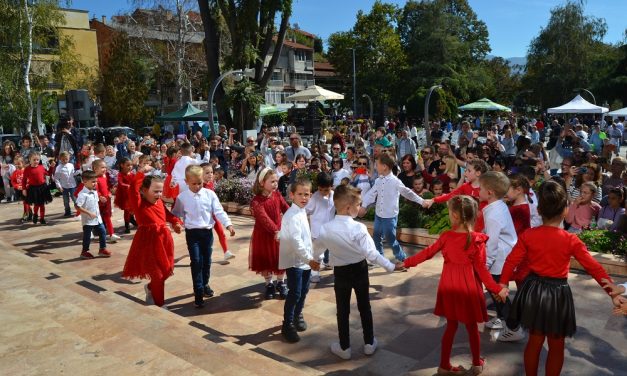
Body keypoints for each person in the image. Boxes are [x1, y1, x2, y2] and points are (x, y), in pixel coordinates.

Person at [499, 180, 614, 376]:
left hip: (533, 290)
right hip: (557, 295)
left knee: (534, 342)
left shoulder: (529, 235)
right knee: (556, 345)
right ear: (564, 211)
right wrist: (612, 292)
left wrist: (502, 284)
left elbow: (511, 261)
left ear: (540, 211)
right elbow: (594, 267)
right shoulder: (571, 240)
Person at [401, 195, 507, 375]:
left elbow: (427, 253)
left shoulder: (447, 236)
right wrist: (497, 289)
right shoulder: (477, 240)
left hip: (449, 286)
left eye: (450, 213)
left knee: (451, 326)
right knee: (472, 327)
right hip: (468, 289)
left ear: (455, 216)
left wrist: (407, 262)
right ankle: (476, 364)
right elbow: (482, 271)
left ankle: (443, 366)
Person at [317, 184, 404, 360]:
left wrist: (309, 261)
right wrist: (391, 266)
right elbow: (372, 254)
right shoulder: (359, 228)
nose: (360, 208)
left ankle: (344, 347)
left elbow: (315, 249)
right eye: (358, 205)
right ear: (348, 208)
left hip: (340, 273)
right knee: (365, 307)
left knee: (342, 310)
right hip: (360, 270)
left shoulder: (326, 228)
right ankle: (369, 343)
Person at [173, 165, 235, 308]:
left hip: (207, 233)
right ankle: (198, 292)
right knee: (196, 261)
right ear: (186, 181)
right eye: (193, 183)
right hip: (192, 233)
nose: (197, 186)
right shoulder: (182, 197)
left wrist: (228, 224)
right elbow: (176, 214)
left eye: (199, 183)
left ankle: (205, 283)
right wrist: (176, 223)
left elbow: (219, 211)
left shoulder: (210, 194)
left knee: (206, 261)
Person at [122, 168, 183, 308]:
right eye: (155, 191)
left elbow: (169, 216)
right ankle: (159, 303)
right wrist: (140, 172)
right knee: (157, 274)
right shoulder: (139, 204)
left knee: (167, 270)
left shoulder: (160, 202)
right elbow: (132, 189)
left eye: (161, 191)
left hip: (164, 241)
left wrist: (176, 223)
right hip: (148, 242)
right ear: (143, 191)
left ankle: (150, 288)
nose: (159, 194)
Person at [359, 154, 425, 261]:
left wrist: (421, 201)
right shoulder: (378, 180)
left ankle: (402, 257)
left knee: (390, 238)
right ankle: (379, 256)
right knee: (376, 236)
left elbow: (408, 193)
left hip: (390, 216)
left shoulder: (395, 181)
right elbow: (371, 194)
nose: (375, 167)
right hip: (379, 214)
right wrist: (363, 206)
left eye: (377, 165)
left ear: (384, 166)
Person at [278, 178, 317, 343]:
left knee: (304, 290)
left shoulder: (302, 211)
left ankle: (297, 315)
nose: (304, 197)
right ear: (292, 195)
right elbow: (296, 242)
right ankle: (287, 324)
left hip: (305, 261)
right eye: (300, 194)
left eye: (306, 194)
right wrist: (309, 259)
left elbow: (305, 238)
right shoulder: (292, 215)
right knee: (295, 293)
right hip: (295, 262)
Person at [477, 171, 517, 333]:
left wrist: (484, 266)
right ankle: (501, 319)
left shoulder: (494, 214)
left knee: (498, 293)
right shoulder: (497, 207)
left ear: (489, 192)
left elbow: (492, 244)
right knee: (496, 292)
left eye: (480, 188)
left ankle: (513, 327)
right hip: (502, 258)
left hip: (499, 261)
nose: (478, 191)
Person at [249, 167, 290, 299]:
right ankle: (269, 283)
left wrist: (294, 215)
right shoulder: (256, 201)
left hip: (278, 233)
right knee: (266, 260)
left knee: (281, 258)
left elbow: (286, 208)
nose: (275, 184)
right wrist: (276, 231)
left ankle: (281, 282)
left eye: (276, 181)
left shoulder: (277, 195)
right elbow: (263, 218)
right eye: (272, 181)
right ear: (262, 183)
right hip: (264, 235)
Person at [424, 159, 490, 231]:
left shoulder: (486, 189)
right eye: (466, 170)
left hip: (482, 227)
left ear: (478, 173)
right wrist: (434, 199)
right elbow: (451, 195)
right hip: (467, 225)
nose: (465, 173)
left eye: (469, 171)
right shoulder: (465, 186)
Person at [200, 163, 235, 261]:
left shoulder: (211, 183)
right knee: (205, 237)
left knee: (221, 232)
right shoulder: (199, 186)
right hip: (204, 216)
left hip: (214, 214)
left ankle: (226, 251)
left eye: (211, 172)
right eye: (207, 173)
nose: (210, 174)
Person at [305, 172, 335, 283]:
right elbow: (306, 211)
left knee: (334, 252)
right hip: (317, 233)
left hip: (331, 232)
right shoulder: (314, 198)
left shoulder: (334, 196)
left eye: (326, 190)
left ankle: (337, 271)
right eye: (320, 189)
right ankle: (314, 273)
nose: (322, 192)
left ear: (331, 186)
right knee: (316, 254)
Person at [76, 170, 110, 259]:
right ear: (85, 182)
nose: (95, 184)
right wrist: (89, 213)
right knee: (87, 237)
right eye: (93, 182)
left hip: (98, 219)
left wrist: (100, 198)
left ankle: (102, 249)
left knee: (103, 232)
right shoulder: (82, 194)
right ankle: (84, 251)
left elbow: (95, 202)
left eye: (96, 181)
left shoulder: (94, 191)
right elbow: (77, 207)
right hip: (88, 221)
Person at [22, 152, 53, 225]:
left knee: (42, 205)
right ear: (30, 160)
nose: (36, 161)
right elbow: (24, 180)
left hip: (42, 188)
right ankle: (35, 215)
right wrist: (24, 189)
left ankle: (42, 218)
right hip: (33, 189)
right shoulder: (27, 169)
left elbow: (48, 173)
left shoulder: (41, 167)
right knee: (36, 204)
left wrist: (51, 167)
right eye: (34, 160)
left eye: (37, 160)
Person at [114, 157, 135, 233]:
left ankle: (131, 219)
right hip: (124, 195)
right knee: (127, 210)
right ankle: (127, 225)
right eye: (128, 165)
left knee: (132, 208)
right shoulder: (120, 174)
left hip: (131, 194)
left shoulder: (132, 174)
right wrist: (128, 186)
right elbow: (120, 183)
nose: (130, 167)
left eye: (131, 165)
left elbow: (135, 182)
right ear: (122, 165)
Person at [54, 151, 78, 217]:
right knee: (66, 200)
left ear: (69, 158)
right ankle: (67, 211)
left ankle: (79, 210)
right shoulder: (58, 168)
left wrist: (79, 172)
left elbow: (73, 173)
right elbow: (56, 178)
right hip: (64, 186)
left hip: (72, 185)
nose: (65, 160)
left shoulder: (71, 165)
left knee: (75, 198)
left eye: (66, 159)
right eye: (63, 159)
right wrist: (59, 186)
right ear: (60, 159)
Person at [10, 156, 31, 222]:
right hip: (19, 190)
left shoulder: (26, 171)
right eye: (15, 164)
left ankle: (26, 215)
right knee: (25, 202)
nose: (17, 165)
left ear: (23, 163)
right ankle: (30, 214)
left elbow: (29, 180)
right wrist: (17, 186)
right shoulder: (14, 172)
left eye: (19, 164)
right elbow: (13, 181)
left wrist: (25, 186)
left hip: (26, 189)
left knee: (26, 202)